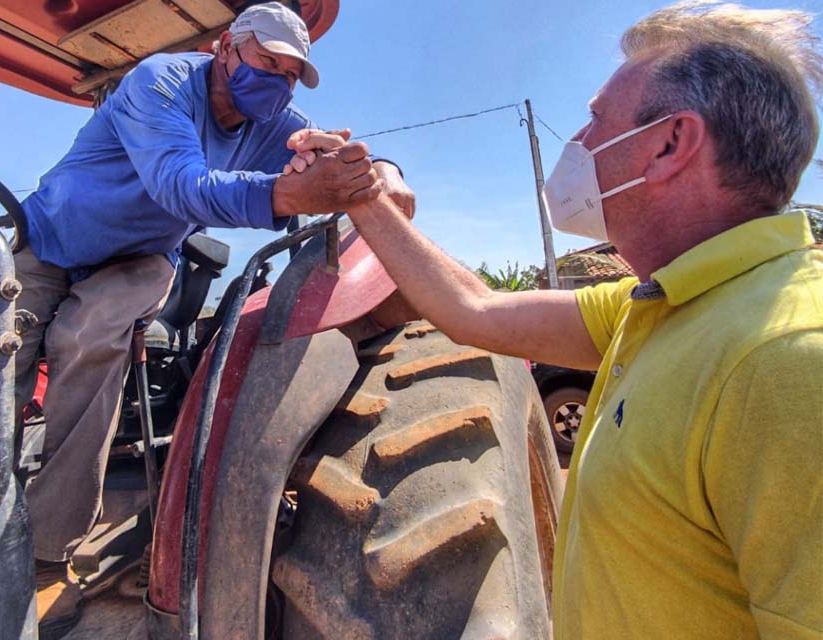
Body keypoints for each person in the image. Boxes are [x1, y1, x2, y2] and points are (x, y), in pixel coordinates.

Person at [291, 2, 823, 637]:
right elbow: (475, 310)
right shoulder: (662, 305)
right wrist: (366, 196)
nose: (579, 141)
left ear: (671, 143)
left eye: (596, 119)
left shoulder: (787, 359)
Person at [0, 2, 405, 635]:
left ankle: (47, 548)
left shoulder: (273, 121)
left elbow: (332, 152)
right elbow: (181, 185)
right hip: (51, 239)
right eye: (269, 62)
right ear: (224, 48)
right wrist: (288, 193)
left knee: (91, 339)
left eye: (292, 74)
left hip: (138, 258)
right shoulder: (160, 82)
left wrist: (380, 172)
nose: (280, 82)